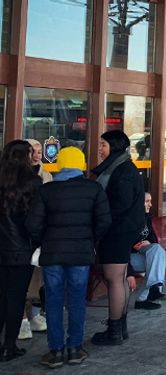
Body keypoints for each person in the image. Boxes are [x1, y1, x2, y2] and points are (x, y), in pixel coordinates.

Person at [25, 147, 111, 368]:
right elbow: (104, 221)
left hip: (52, 253)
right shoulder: (93, 189)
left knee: (53, 301)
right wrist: (90, 239)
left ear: (60, 164)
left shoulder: (47, 190)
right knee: (76, 300)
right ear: (81, 165)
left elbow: (33, 224)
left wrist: (44, 241)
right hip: (81, 252)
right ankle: (74, 348)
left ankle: (55, 351)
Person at [90, 130, 145, 346]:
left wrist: (101, 224)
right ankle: (119, 327)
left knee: (115, 279)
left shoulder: (123, 171)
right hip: (122, 230)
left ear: (114, 146)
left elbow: (118, 205)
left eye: (103, 144)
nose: (100, 149)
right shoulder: (122, 167)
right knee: (120, 279)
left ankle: (114, 330)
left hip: (117, 231)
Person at [0, 140, 39, 362]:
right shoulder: (33, 183)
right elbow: (35, 221)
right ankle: (9, 345)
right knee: (15, 298)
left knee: (2, 296)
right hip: (21, 250)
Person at [18, 139, 52, 340]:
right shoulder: (15, 178)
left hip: (39, 236)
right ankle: (22, 318)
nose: (38, 154)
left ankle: (34, 315)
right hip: (22, 237)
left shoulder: (45, 174)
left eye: (40, 150)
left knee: (36, 279)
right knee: (22, 278)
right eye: (34, 151)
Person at [127, 192, 166, 310]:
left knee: (158, 250)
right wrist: (129, 273)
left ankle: (153, 290)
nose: (150, 204)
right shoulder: (128, 221)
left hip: (142, 255)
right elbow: (120, 249)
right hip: (126, 259)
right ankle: (147, 296)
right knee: (157, 262)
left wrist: (149, 242)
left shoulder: (146, 217)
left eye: (150, 201)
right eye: (147, 201)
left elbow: (154, 239)